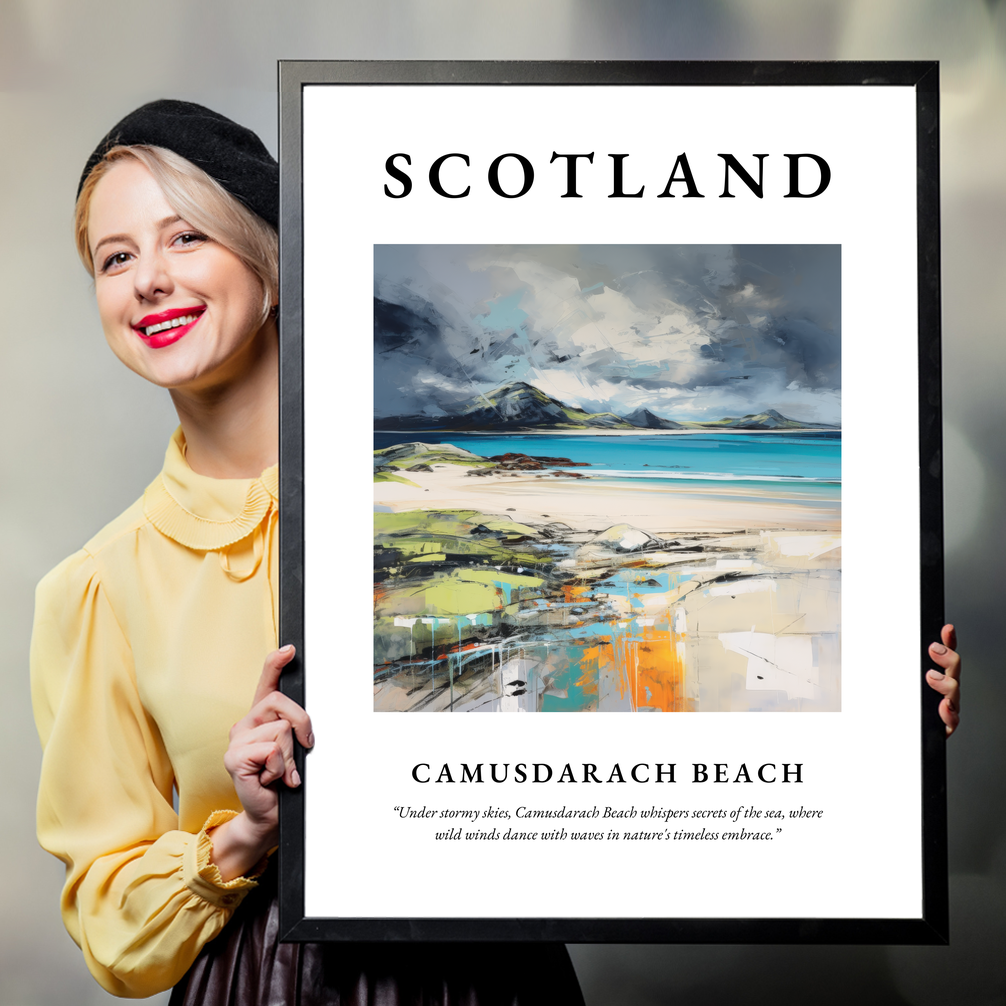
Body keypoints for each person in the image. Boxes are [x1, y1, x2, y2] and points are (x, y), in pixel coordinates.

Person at [30, 100, 586, 1004]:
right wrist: (245, 832)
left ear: (273, 264)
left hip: (493, 973)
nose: (148, 281)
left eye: (185, 239)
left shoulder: (448, 501)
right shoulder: (97, 586)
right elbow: (110, 924)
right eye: (116, 257)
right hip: (262, 981)